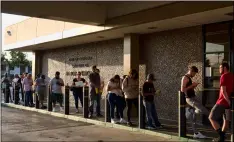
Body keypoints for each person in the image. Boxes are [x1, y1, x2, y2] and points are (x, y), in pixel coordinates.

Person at [181, 66, 209, 139]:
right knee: (202, 110)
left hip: (193, 97)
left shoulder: (189, 78)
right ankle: (192, 111)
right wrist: (192, 85)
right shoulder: (185, 78)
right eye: (195, 73)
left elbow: (188, 88)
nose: (194, 75)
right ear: (191, 71)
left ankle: (196, 133)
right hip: (189, 99)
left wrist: (193, 86)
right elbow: (182, 90)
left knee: (193, 118)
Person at [209, 63, 233, 142]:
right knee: (226, 120)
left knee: (211, 117)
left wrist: (227, 100)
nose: (219, 69)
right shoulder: (232, 76)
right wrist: (229, 101)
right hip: (228, 104)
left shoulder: (224, 76)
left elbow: (223, 91)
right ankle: (221, 139)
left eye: (220, 67)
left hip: (222, 102)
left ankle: (221, 136)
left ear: (225, 68)